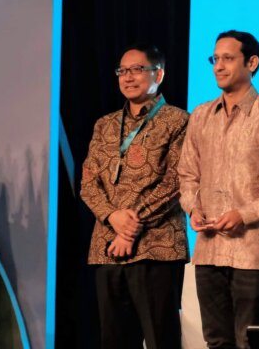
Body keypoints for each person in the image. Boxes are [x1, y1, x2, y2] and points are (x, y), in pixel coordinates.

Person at [178, 30, 259, 349]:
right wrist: (192, 207)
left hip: (252, 250)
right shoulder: (200, 115)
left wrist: (243, 214)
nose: (218, 66)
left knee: (247, 339)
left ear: (251, 63)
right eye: (215, 59)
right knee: (215, 339)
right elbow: (186, 173)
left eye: (228, 58)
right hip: (209, 248)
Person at [80, 44, 189, 349]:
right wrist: (113, 217)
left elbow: (176, 181)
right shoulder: (105, 124)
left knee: (160, 337)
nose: (128, 77)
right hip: (107, 246)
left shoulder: (179, 120)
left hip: (157, 246)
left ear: (159, 74)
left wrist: (131, 228)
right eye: (122, 70)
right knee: (113, 339)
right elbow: (88, 182)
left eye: (137, 69)